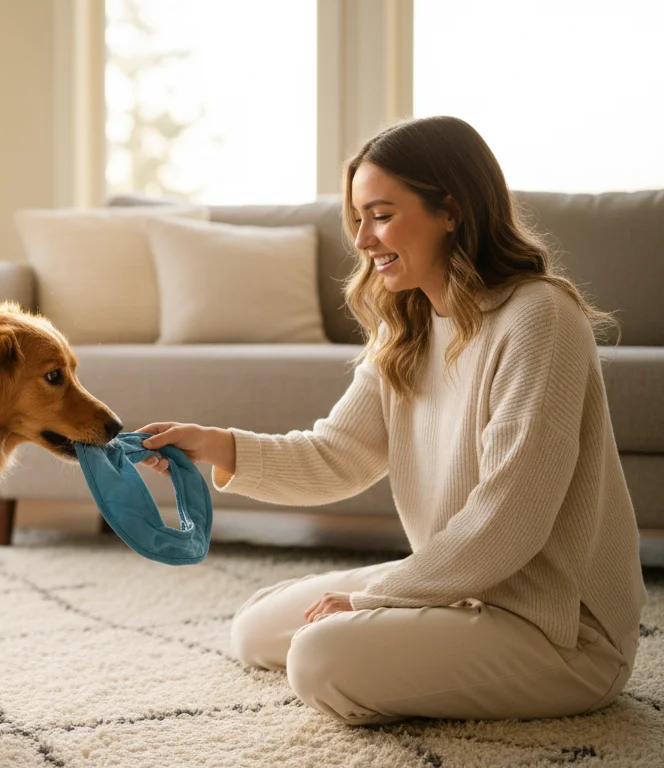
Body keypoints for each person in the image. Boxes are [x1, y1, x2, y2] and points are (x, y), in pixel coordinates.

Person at [138, 115, 645, 725]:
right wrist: (218, 447)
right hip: (466, 590)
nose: (362, 240)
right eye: (358, 220)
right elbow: (335, 456)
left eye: (380, 215)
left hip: (558, 629)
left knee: (319, 658)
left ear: (450, 210)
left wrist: (375, 600)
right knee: (256, 629)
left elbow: (509, 519)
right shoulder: (406, 327)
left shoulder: (539, 317)